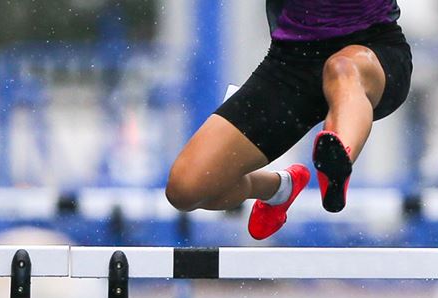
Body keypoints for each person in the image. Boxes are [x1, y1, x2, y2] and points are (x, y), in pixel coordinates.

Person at [165, 1, 413, 240]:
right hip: (291, 65)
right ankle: (278, 189)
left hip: (371, 52)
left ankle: (336, 163)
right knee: (185, 189)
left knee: (341, 68)